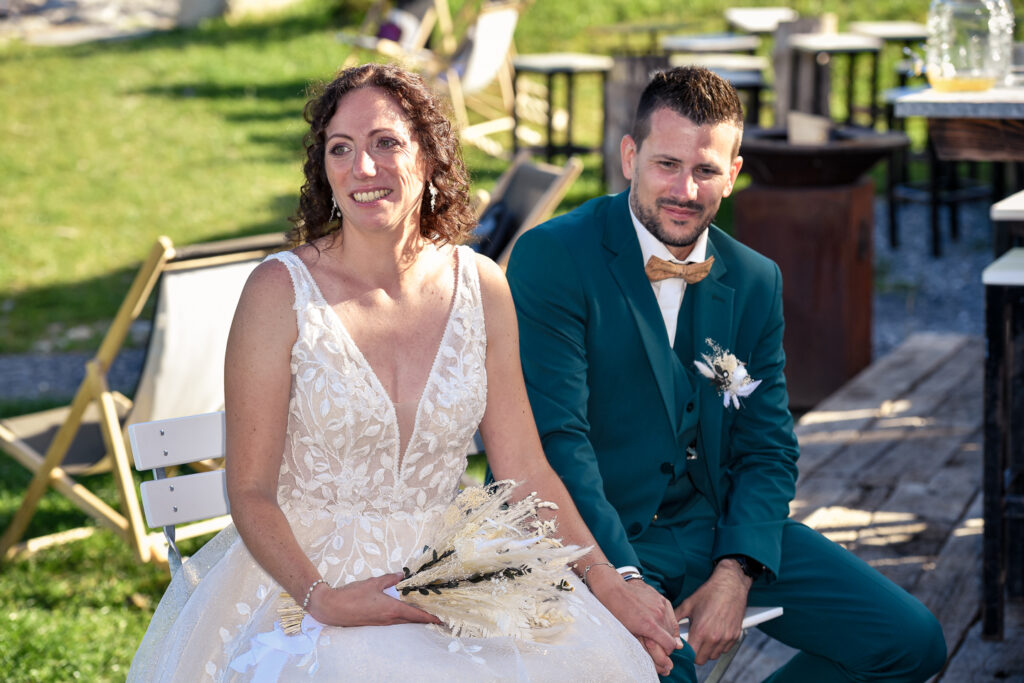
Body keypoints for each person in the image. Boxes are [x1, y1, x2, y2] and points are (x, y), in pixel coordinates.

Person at [126, 63, 676, 682]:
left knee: (597, 661)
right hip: (304, 578)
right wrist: (325, 597)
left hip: (452, 569)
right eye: (342, 149)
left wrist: (607, 580)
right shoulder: (277, 292)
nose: (364, 168)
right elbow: (250, 491)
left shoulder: (481, 288)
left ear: (430, 157)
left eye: (386, 142)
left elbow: (524, 467)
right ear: (324, 171)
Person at [506, 66, 948, 683]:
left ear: (734, 174)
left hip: (720, 530)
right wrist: (622, 578)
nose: (685, 189)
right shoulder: (554, 256)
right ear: (629, 155)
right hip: (605, 539)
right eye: (667, 164)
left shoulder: (755, 278)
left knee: (910, 642)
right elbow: (558, 439)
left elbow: (768, 445)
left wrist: (736, 569)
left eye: (707, 169)